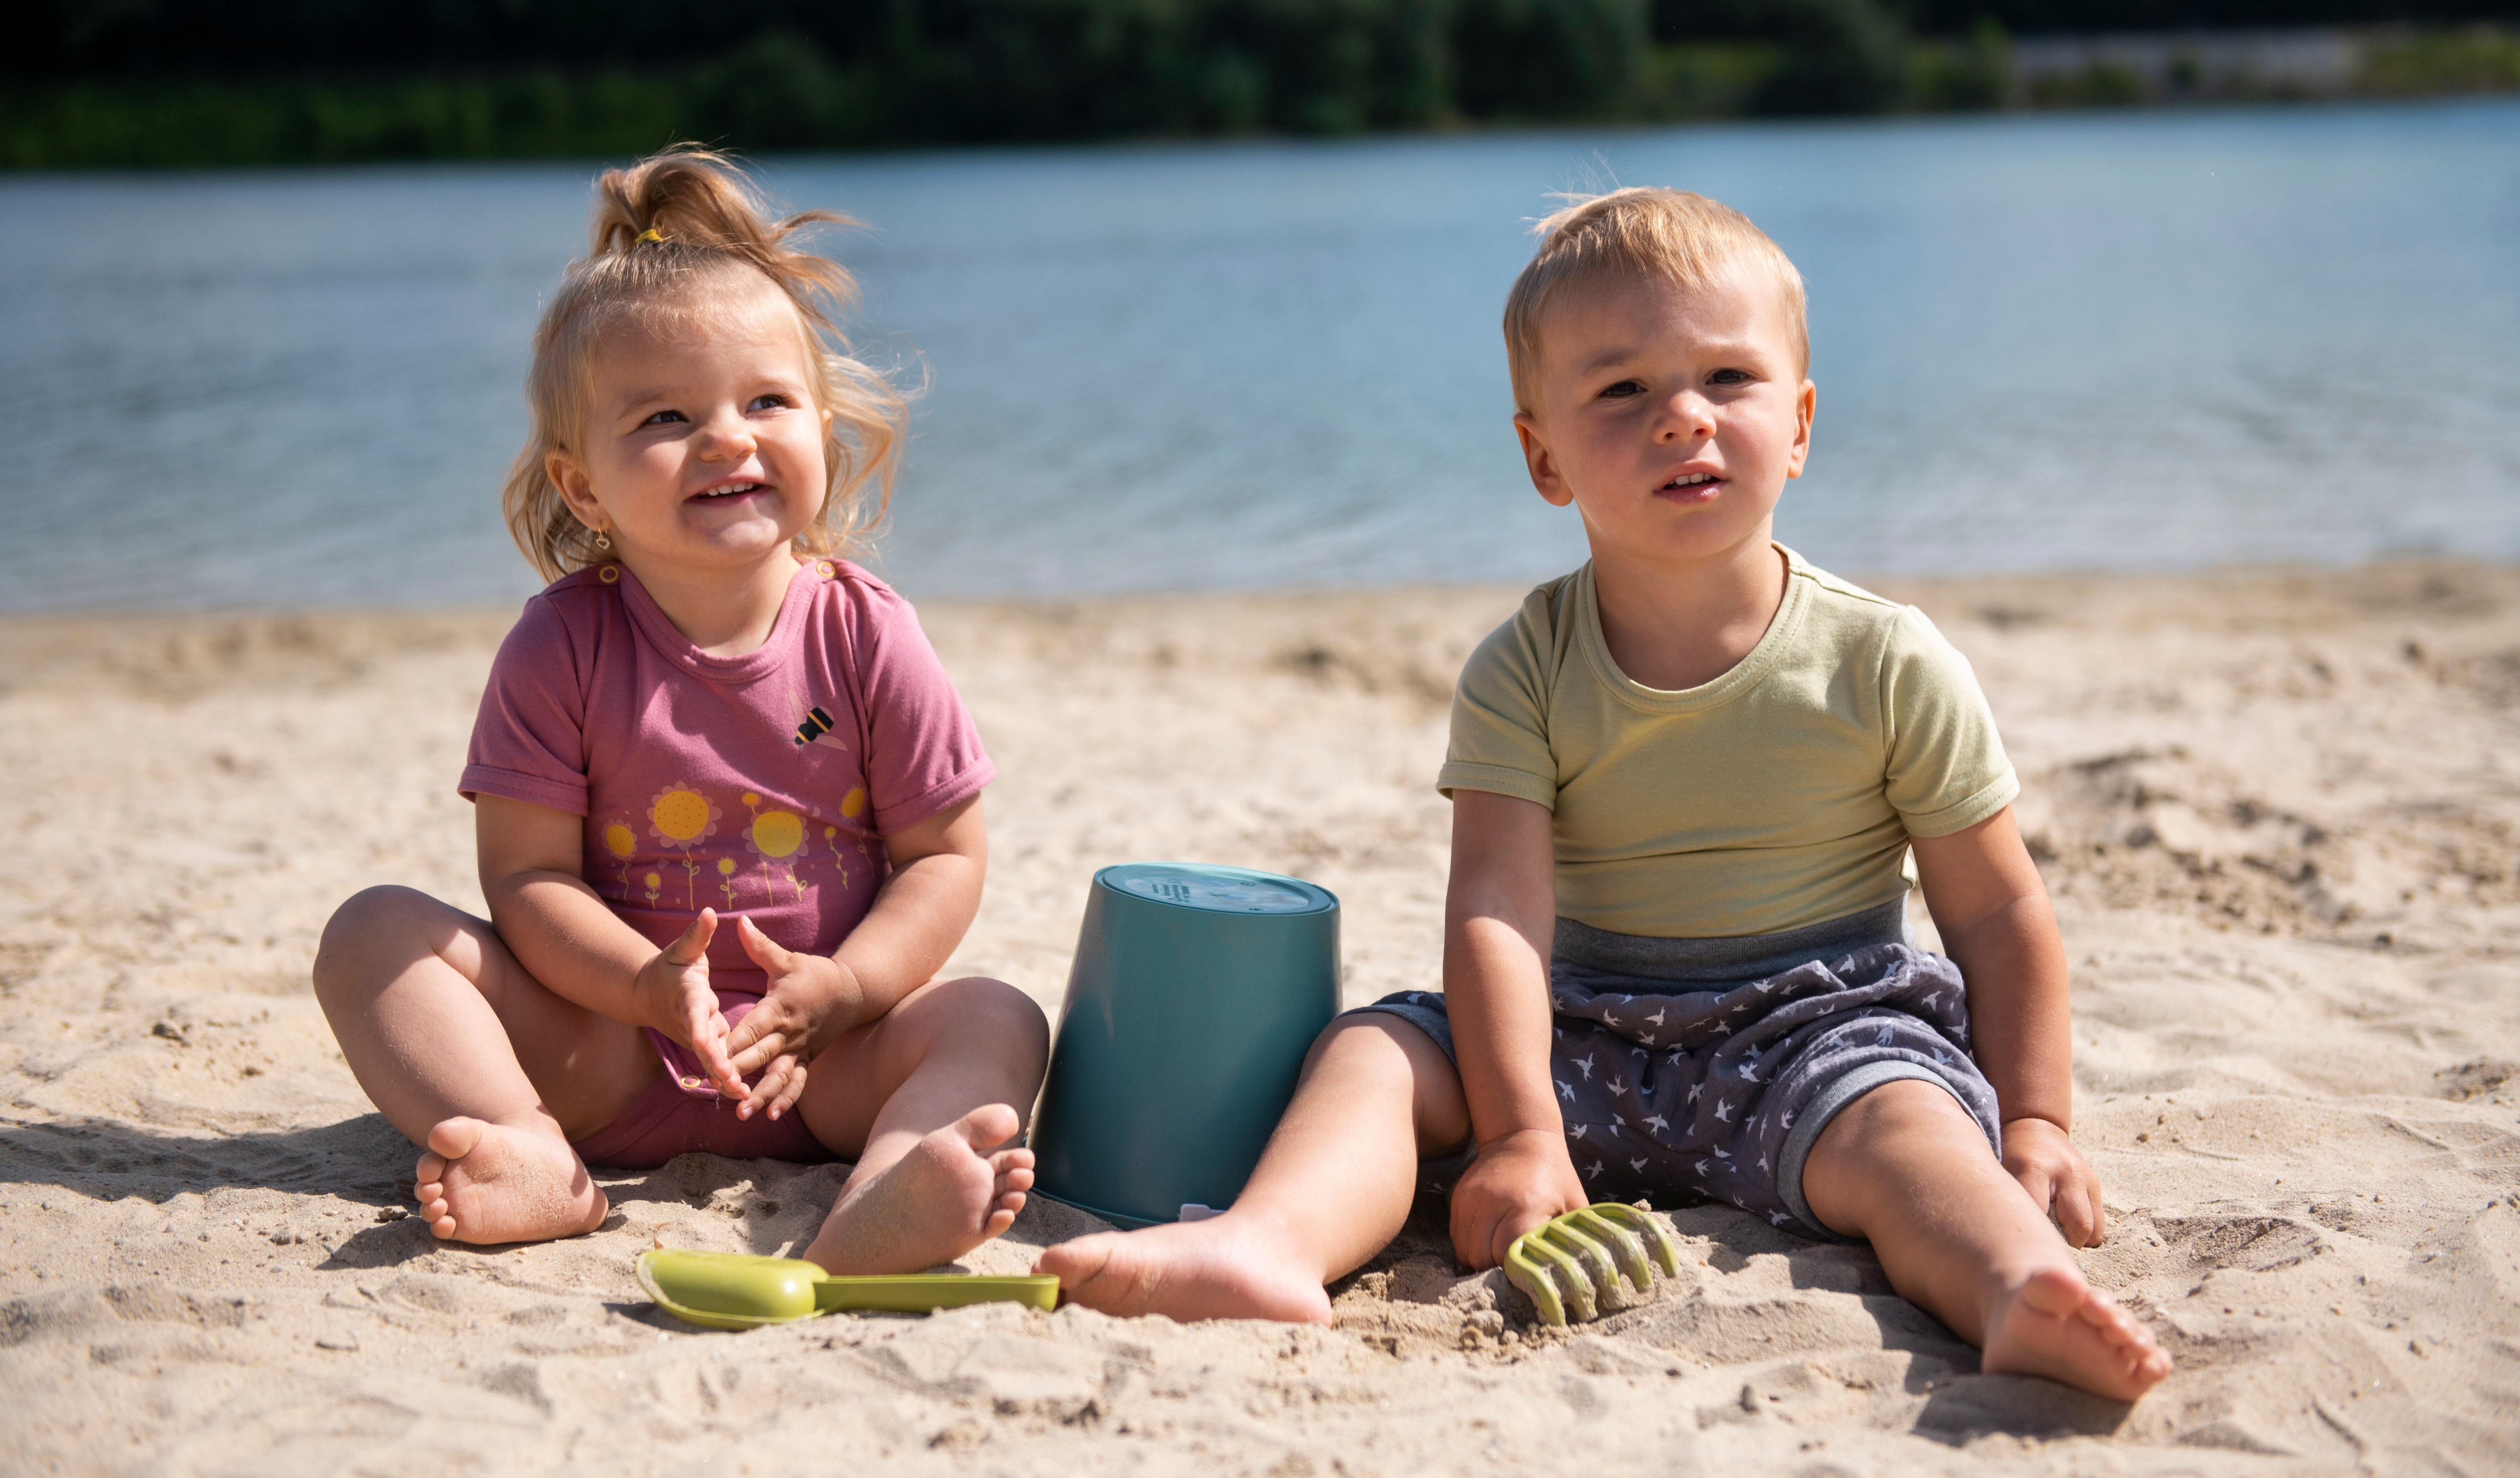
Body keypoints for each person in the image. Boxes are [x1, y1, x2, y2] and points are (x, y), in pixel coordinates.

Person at [1042, 188, 2172, 1401]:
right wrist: (1521, 1130)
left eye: (1727, 379)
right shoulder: (1525, 667)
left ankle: (2016, 1286)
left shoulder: (1885, 662)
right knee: (1376, 1053)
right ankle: (1268, 1244)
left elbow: (1997, 915)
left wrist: (2040, 1122)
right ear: (1544, 456)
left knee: (1913, 1136)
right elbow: (1497, 916)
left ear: (1797, 425)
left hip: (1814, 1037)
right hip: (1576, 1034)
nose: (1683, 419)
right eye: (1623, 391)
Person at [313, 149, 1046, 1272]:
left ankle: (887, 1190)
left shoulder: (865, 633)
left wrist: (847, 989)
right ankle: (529, 1152)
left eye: (767, 402)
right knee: (374, 933)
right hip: (608, 1055)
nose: (725, 438)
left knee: (998, 1015)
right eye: (665, 417)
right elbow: (528, 879)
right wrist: (644, 989)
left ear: (823, 429)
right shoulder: (561, 644)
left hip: (822, 1066)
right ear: (584, 487)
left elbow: (944, 855)